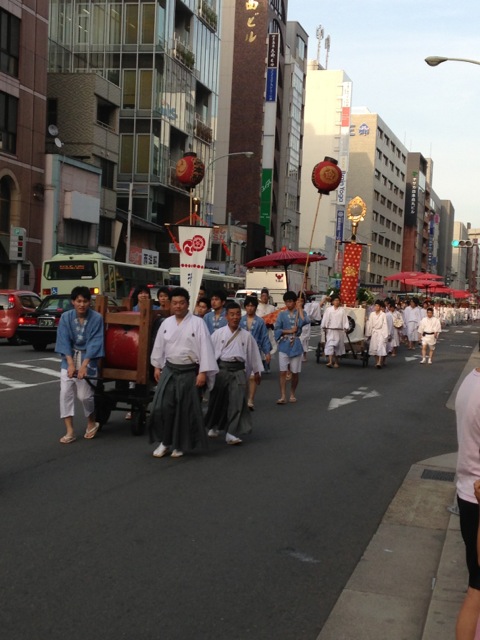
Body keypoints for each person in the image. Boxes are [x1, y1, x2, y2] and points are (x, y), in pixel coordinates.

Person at [149, 287, 218, 458]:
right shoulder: (166, 323)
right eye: (175, 303)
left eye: (182, 303)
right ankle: (165, 441)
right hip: (170, 369)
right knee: (161, 406)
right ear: (170, 304)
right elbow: (159, 346)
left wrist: (202, 372)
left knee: (184, 409)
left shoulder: (198, 323)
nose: (178, 306)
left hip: (189, 370)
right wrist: (157, 366)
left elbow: (205, 348)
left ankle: (179, 444)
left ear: (188, 304)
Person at [205, 302, 263, 444]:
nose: (235, 317)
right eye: (232, 314)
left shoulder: (247, 336)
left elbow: (253, 354)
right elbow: (209, 354)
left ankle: (231, 432)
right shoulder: (218, 334)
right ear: (226, 316)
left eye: (238, 314)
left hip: (238, 370)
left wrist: (257, 371)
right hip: (222, 370)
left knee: (237, 401)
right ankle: (213, 425)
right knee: (217, 400)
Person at [55, 286, 105, 444]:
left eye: (85, 301)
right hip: (69, 356)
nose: (82, 304)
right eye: (78, 301)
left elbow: (95, 342)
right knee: (65, 393)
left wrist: (84, 365)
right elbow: (63, 340)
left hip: (88, 358)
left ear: (90, 302)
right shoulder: (66, 317)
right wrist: (70, 364)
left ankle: (91, 420)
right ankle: (70, 430)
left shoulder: (96, 318)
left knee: (84, 396)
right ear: (73, 302)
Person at [454, 368, 480, 639]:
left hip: (468, 493)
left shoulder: (471, 381)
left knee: (476, 585)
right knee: (477, 589)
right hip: (477, 497)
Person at [274, 291, 310, 404]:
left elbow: (306, 321)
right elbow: (277, 330)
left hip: (296, 344)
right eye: (287, 302)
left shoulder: (300, 312)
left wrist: (299, 309)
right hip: (284, 344)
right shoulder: (281, 314)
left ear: (295, 302)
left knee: (295, 372)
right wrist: (289, 331)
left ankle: (292, 393)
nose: (289, 304)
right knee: (283, 372)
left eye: (291, 301)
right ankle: (283, 395)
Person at [240, 295, 272, 409]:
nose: (250, 308)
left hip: (255, 351)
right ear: (245, 307)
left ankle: (250, 400)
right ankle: (242, 398)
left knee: (253, 377)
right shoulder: (240, 320)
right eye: (248, 306)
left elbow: (264, 337)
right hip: (241, 351)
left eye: (252, 306)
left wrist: (267, 352)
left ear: (255, 307)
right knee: (242, 377)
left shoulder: (260, 321)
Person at [320, 295, 349, 368]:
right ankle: (330, 361)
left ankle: (336, 362)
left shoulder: (342, 310)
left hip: (339, 331)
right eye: (335, 300)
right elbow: (325, 318)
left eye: (338, 300)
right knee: (330, 345)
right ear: (332, 302)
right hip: (330, 330)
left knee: (337, 347)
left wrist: (346, 327)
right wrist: (324, 326)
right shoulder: (328, 310)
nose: (336, 302)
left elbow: (345, 320)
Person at [256, 287, 277, 372]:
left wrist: (271, 325)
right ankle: (260, 364)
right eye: (263, 295)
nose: (264, 297)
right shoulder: (257, 307)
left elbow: (274, 319)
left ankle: (267, 364)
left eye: (266, 295)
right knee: (259, 348)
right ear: (260, 296)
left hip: (268, 331)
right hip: (259, 331)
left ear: (268, 297)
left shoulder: (272, 308)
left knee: (268, 347)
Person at [365, 300, 389, 368]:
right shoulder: (372, 314)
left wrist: (385, 335)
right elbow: (370, 324)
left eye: (378, 306)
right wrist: (368, 334)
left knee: (380, 346)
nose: (376, 307)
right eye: (375, 305)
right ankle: (377, 361)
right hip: (374, 332)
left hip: (381, 332)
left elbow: (385, 324)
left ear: (380, 307)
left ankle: (379, 362)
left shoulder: (383, 314)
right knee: (374, 347)